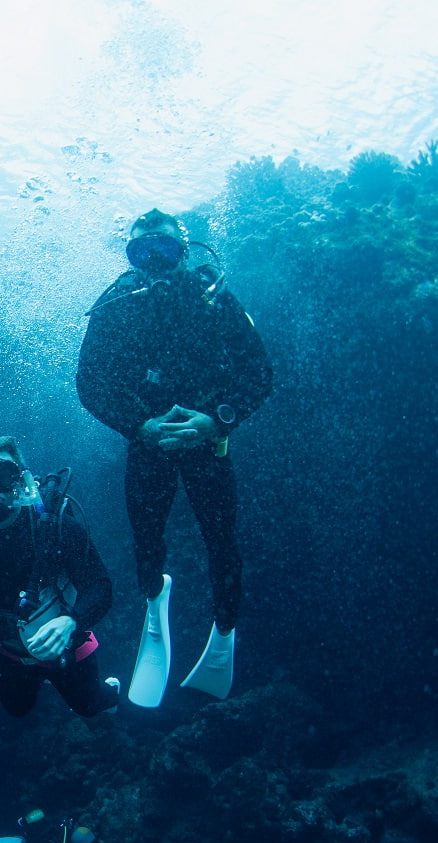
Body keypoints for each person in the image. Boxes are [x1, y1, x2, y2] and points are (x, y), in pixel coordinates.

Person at [76, 209, 273, 707]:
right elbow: (88, 383)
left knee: (220, 540)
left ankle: (224, 625)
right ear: (131, 256)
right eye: (142, 251)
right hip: (150, 445)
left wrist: (216, 420)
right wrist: (139, 426)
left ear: (184, 251)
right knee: (146, 539)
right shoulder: (118, 303)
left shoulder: (215, 298)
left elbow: (260, 373)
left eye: (163, 248)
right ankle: (153, 601)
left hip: (208, 442)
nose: (153, 259)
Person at [0, 436, 119, 718]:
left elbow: (99, 586)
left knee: (93, 707)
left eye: (4, 477)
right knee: (17, 710)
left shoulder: (56, 526)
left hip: (66, 647)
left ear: (20, 480)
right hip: (8, 654)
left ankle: (110, 689)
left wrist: (72, 622)